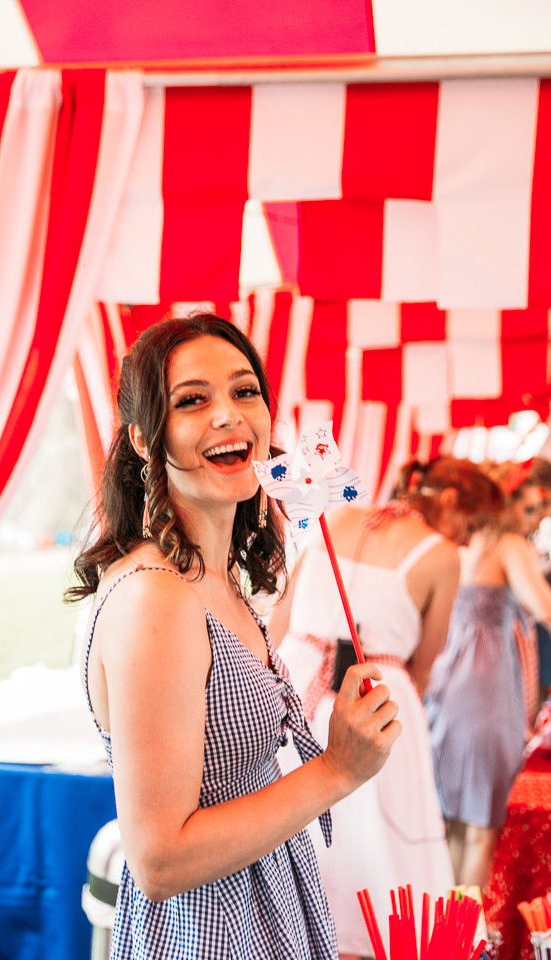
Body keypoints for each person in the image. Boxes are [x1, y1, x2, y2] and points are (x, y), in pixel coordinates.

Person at [65, 313, 401, 960]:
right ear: (143, 438)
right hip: (210, 931)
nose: (229, 415)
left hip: (265, 906)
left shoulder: (212, 579)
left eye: (245, 391)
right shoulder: (157, 597)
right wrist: (337, 770)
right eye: (192, 400)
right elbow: (159, 860)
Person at [268, 457, 503, 960]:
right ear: (447, 502)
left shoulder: (331, 516)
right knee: (381, 851)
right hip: (378, 696)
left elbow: (279, 619)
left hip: (296, 688)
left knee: (294, 828)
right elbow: (426, 662)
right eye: (472, 524)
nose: (468, 540)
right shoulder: (440, 555)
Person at [425, 457, 551, 891]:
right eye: (532, 509)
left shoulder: (457, 542)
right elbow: (545, 607)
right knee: (482, 823)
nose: (537, 520)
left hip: (444, 676)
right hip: (486, 685)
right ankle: (467, 945)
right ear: (508, 502)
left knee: (450, 819)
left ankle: (441, 937)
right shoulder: (510, 546)